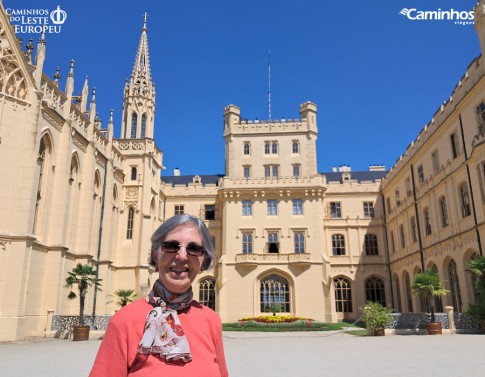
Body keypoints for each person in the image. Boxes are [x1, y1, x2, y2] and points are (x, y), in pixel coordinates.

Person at [89, 214, 229, 376]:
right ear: (155, 253)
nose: (182, 256)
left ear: (203, 260)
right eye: (171, 245)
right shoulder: (124, 322)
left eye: (194, 248)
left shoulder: (211, 321)